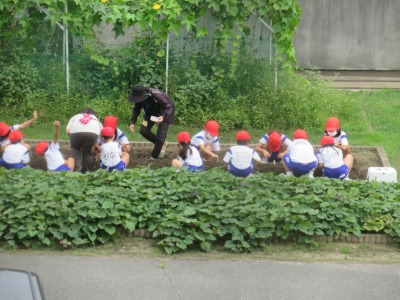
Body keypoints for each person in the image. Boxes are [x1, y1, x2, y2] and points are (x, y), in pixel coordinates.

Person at [128, 83, 174, 160]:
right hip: (150, 112)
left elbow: (168, 107)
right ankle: (161, 144)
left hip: (165, 111)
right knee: (143, 131)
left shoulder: (156, 95)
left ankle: (154, 157)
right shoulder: (139, 97)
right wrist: (132, 122)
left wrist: (162, 116)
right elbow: (136, 109)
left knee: (160, 137)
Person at [66, 108, 102, 172]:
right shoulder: (94, 118)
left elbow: (68, 131)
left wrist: (73, 140)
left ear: (81, 113)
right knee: (87, 152)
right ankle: (89, 171)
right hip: (92, 133)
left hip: (76, 133)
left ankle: (77, 169)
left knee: (75, 148)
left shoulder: (75, 117)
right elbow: (102, 131)